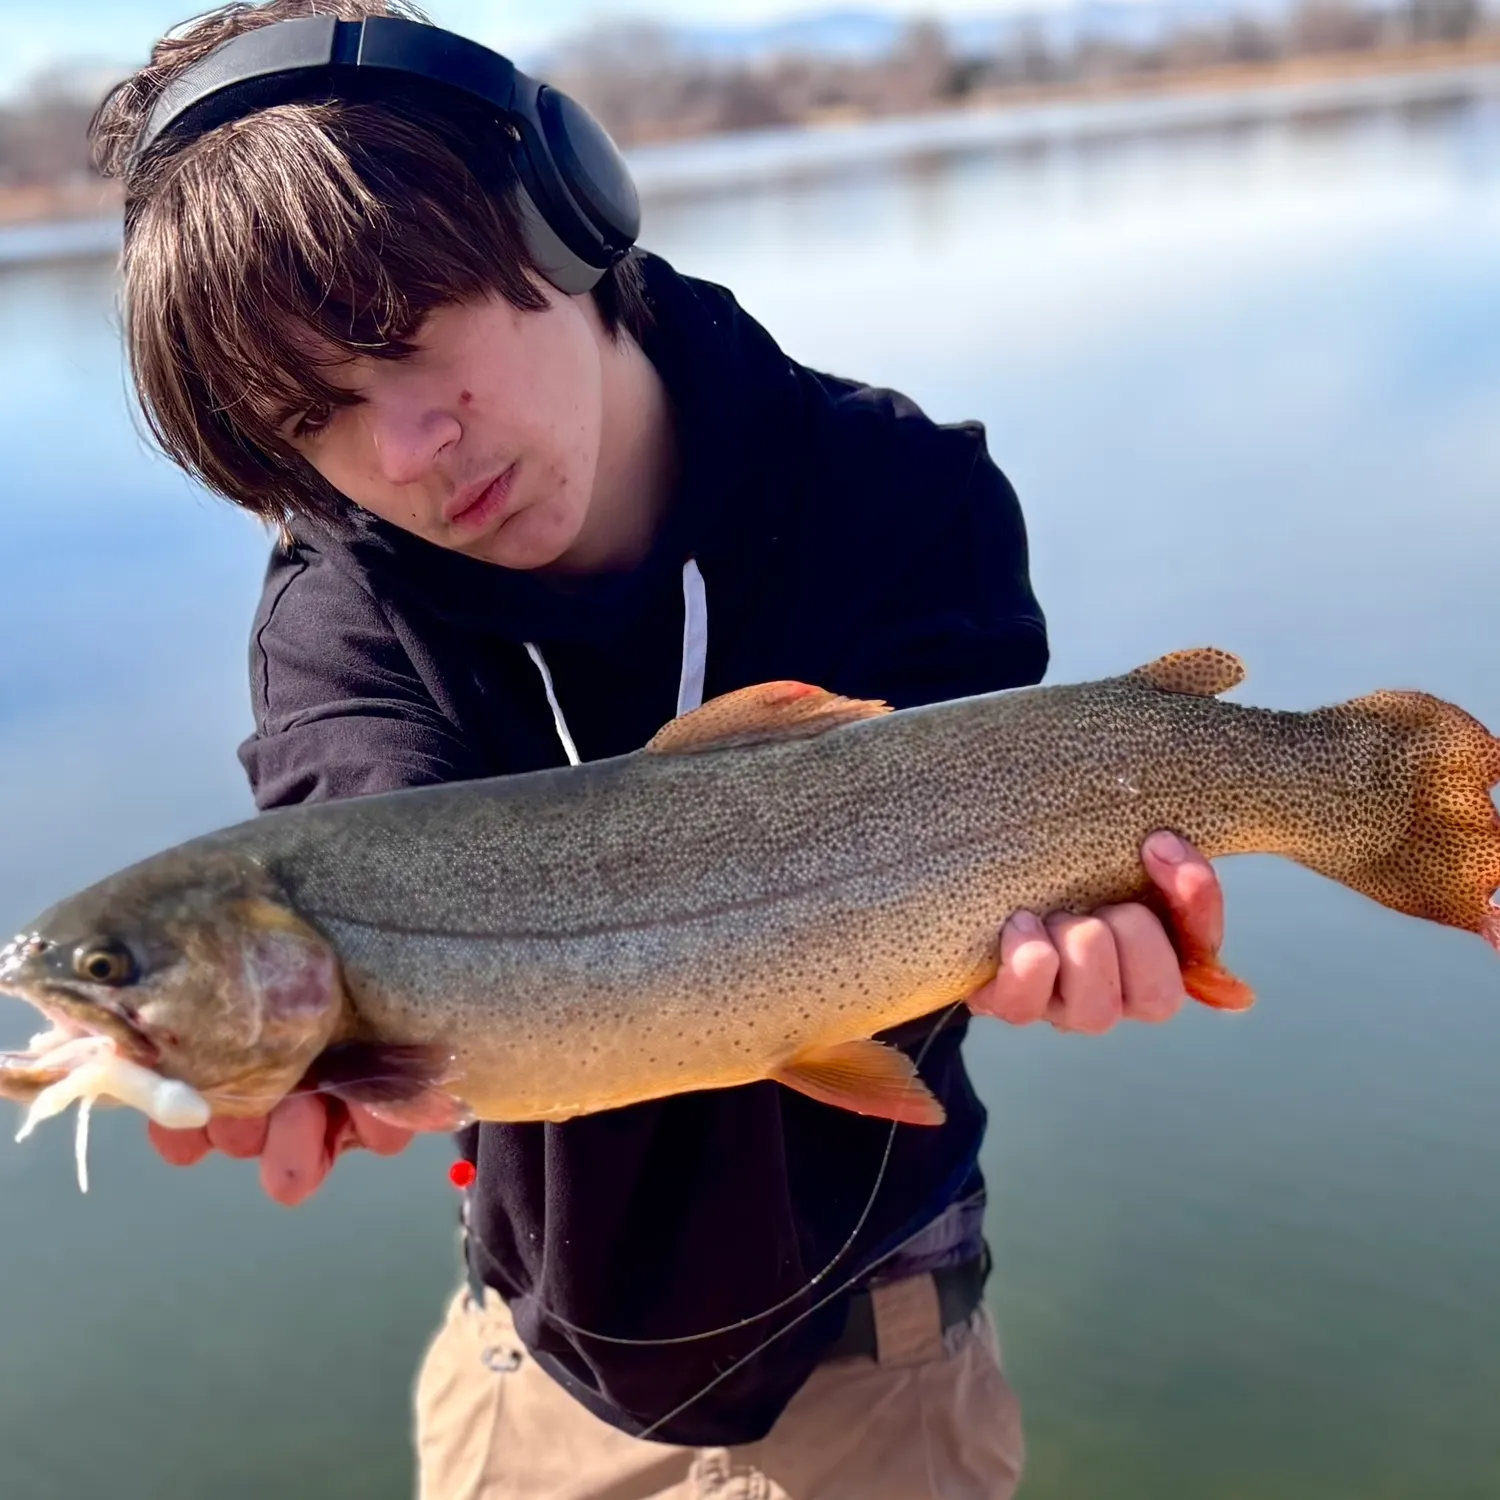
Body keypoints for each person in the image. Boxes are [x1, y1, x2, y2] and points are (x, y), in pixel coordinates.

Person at [90, 2, 1227, 1494]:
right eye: (319, 418)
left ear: (566, 216)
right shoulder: (339, 613)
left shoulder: (896, 495)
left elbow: (1017, 863)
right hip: (531, 1365)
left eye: (406, 340)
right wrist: (306, 1044)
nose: (403, 453)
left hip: (882, 1352)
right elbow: (356, 840)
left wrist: (1095, 930)